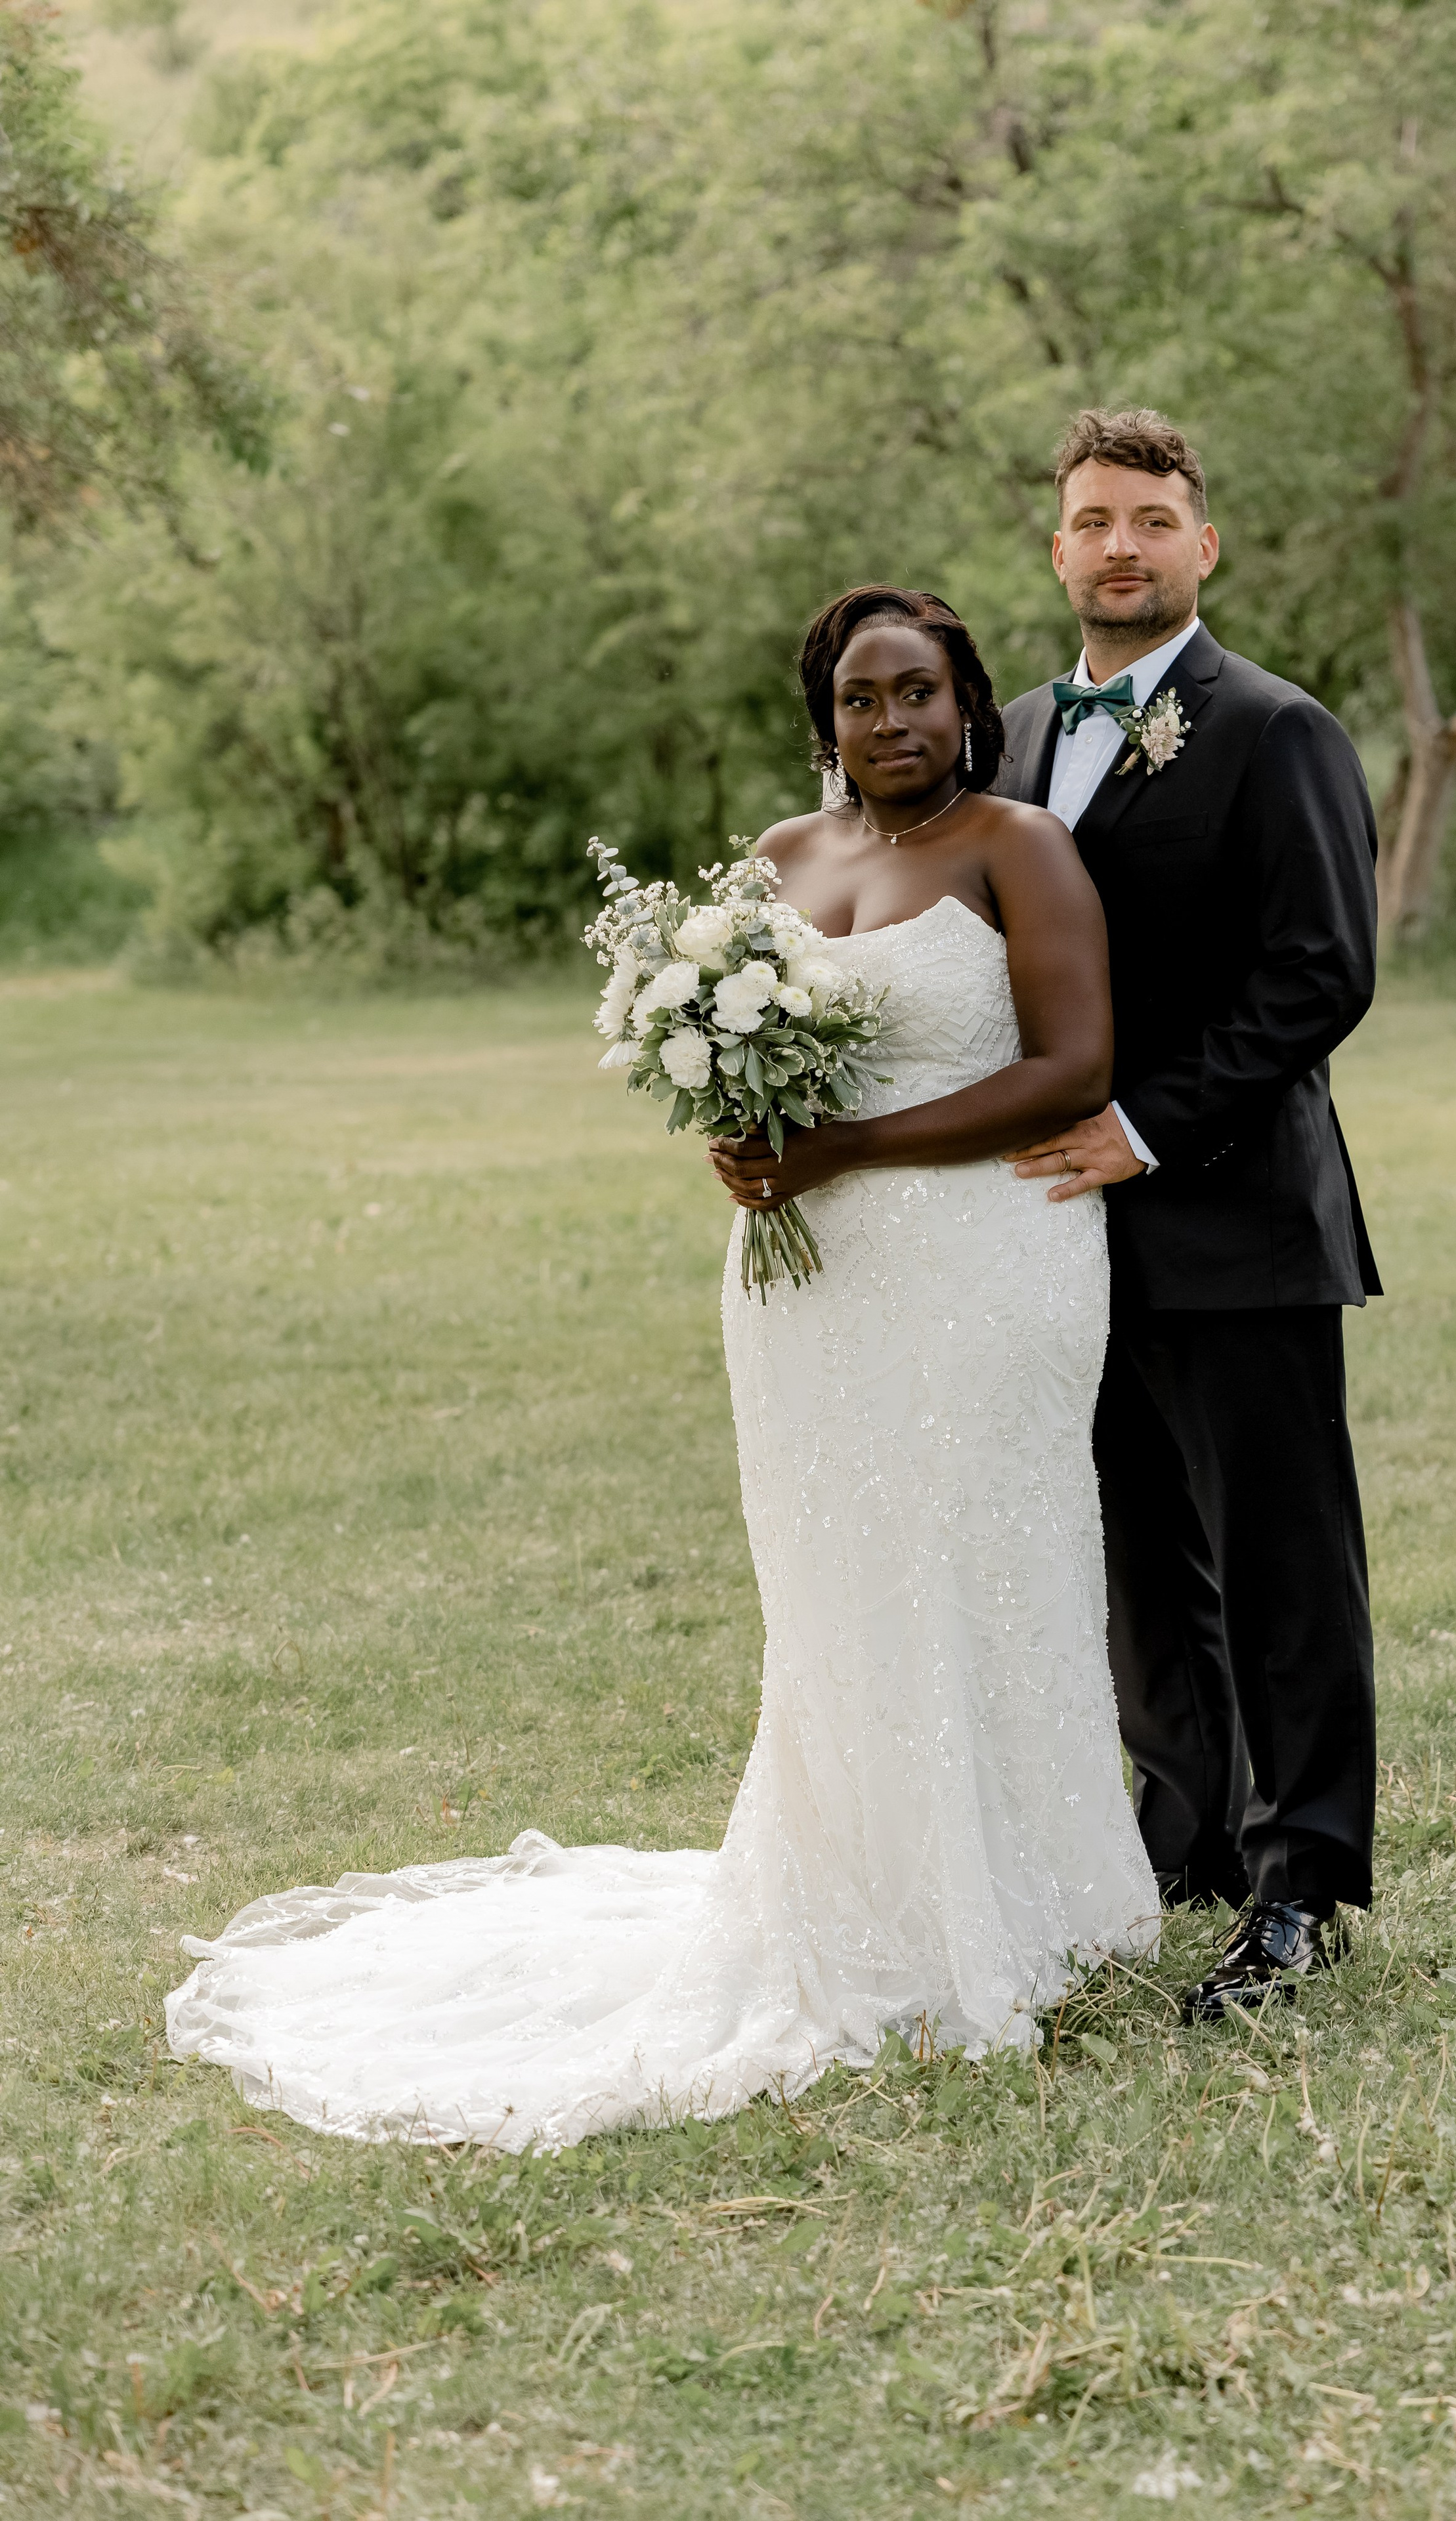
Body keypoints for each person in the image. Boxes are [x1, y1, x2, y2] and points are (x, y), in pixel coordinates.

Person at [165, 585, 1158, 2149]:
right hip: (806, 1286)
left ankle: (1029, 1902)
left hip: (986, 1261)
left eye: (916, 693)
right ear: (820, 718)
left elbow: (1069, 1067)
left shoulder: (1018, 848)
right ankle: (850, 1895)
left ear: (968, 703)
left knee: (981, 1555)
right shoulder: (775, 863)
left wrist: (841, 1145)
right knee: (835, 1578)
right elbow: (740, 1055)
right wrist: (746, 1130)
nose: (888, 723)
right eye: (857, 698)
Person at [998, 406, 1381, 2021]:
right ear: (1057, 544)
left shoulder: (1272, 729)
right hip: (1060, 1245)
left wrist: (1145, 1128)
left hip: (1234, 1224)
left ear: (1199, 545)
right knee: (1142, 1563)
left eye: (1150, 519)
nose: (1119, 546)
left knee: (1280, 1565)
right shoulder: (1006, 735)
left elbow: (1320, 972)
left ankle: (1299, 1884)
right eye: (1092, 519)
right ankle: (1184, 1833)